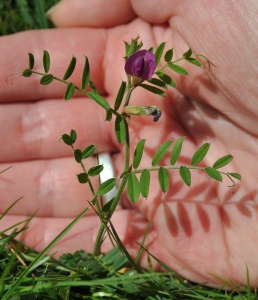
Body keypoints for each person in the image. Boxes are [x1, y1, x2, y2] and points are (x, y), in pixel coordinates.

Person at [0, 0, 257, 288]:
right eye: (135, 70)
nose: (136, 74)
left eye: (138, 71)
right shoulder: (131, 84)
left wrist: (139, 105)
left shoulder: (136, 82)